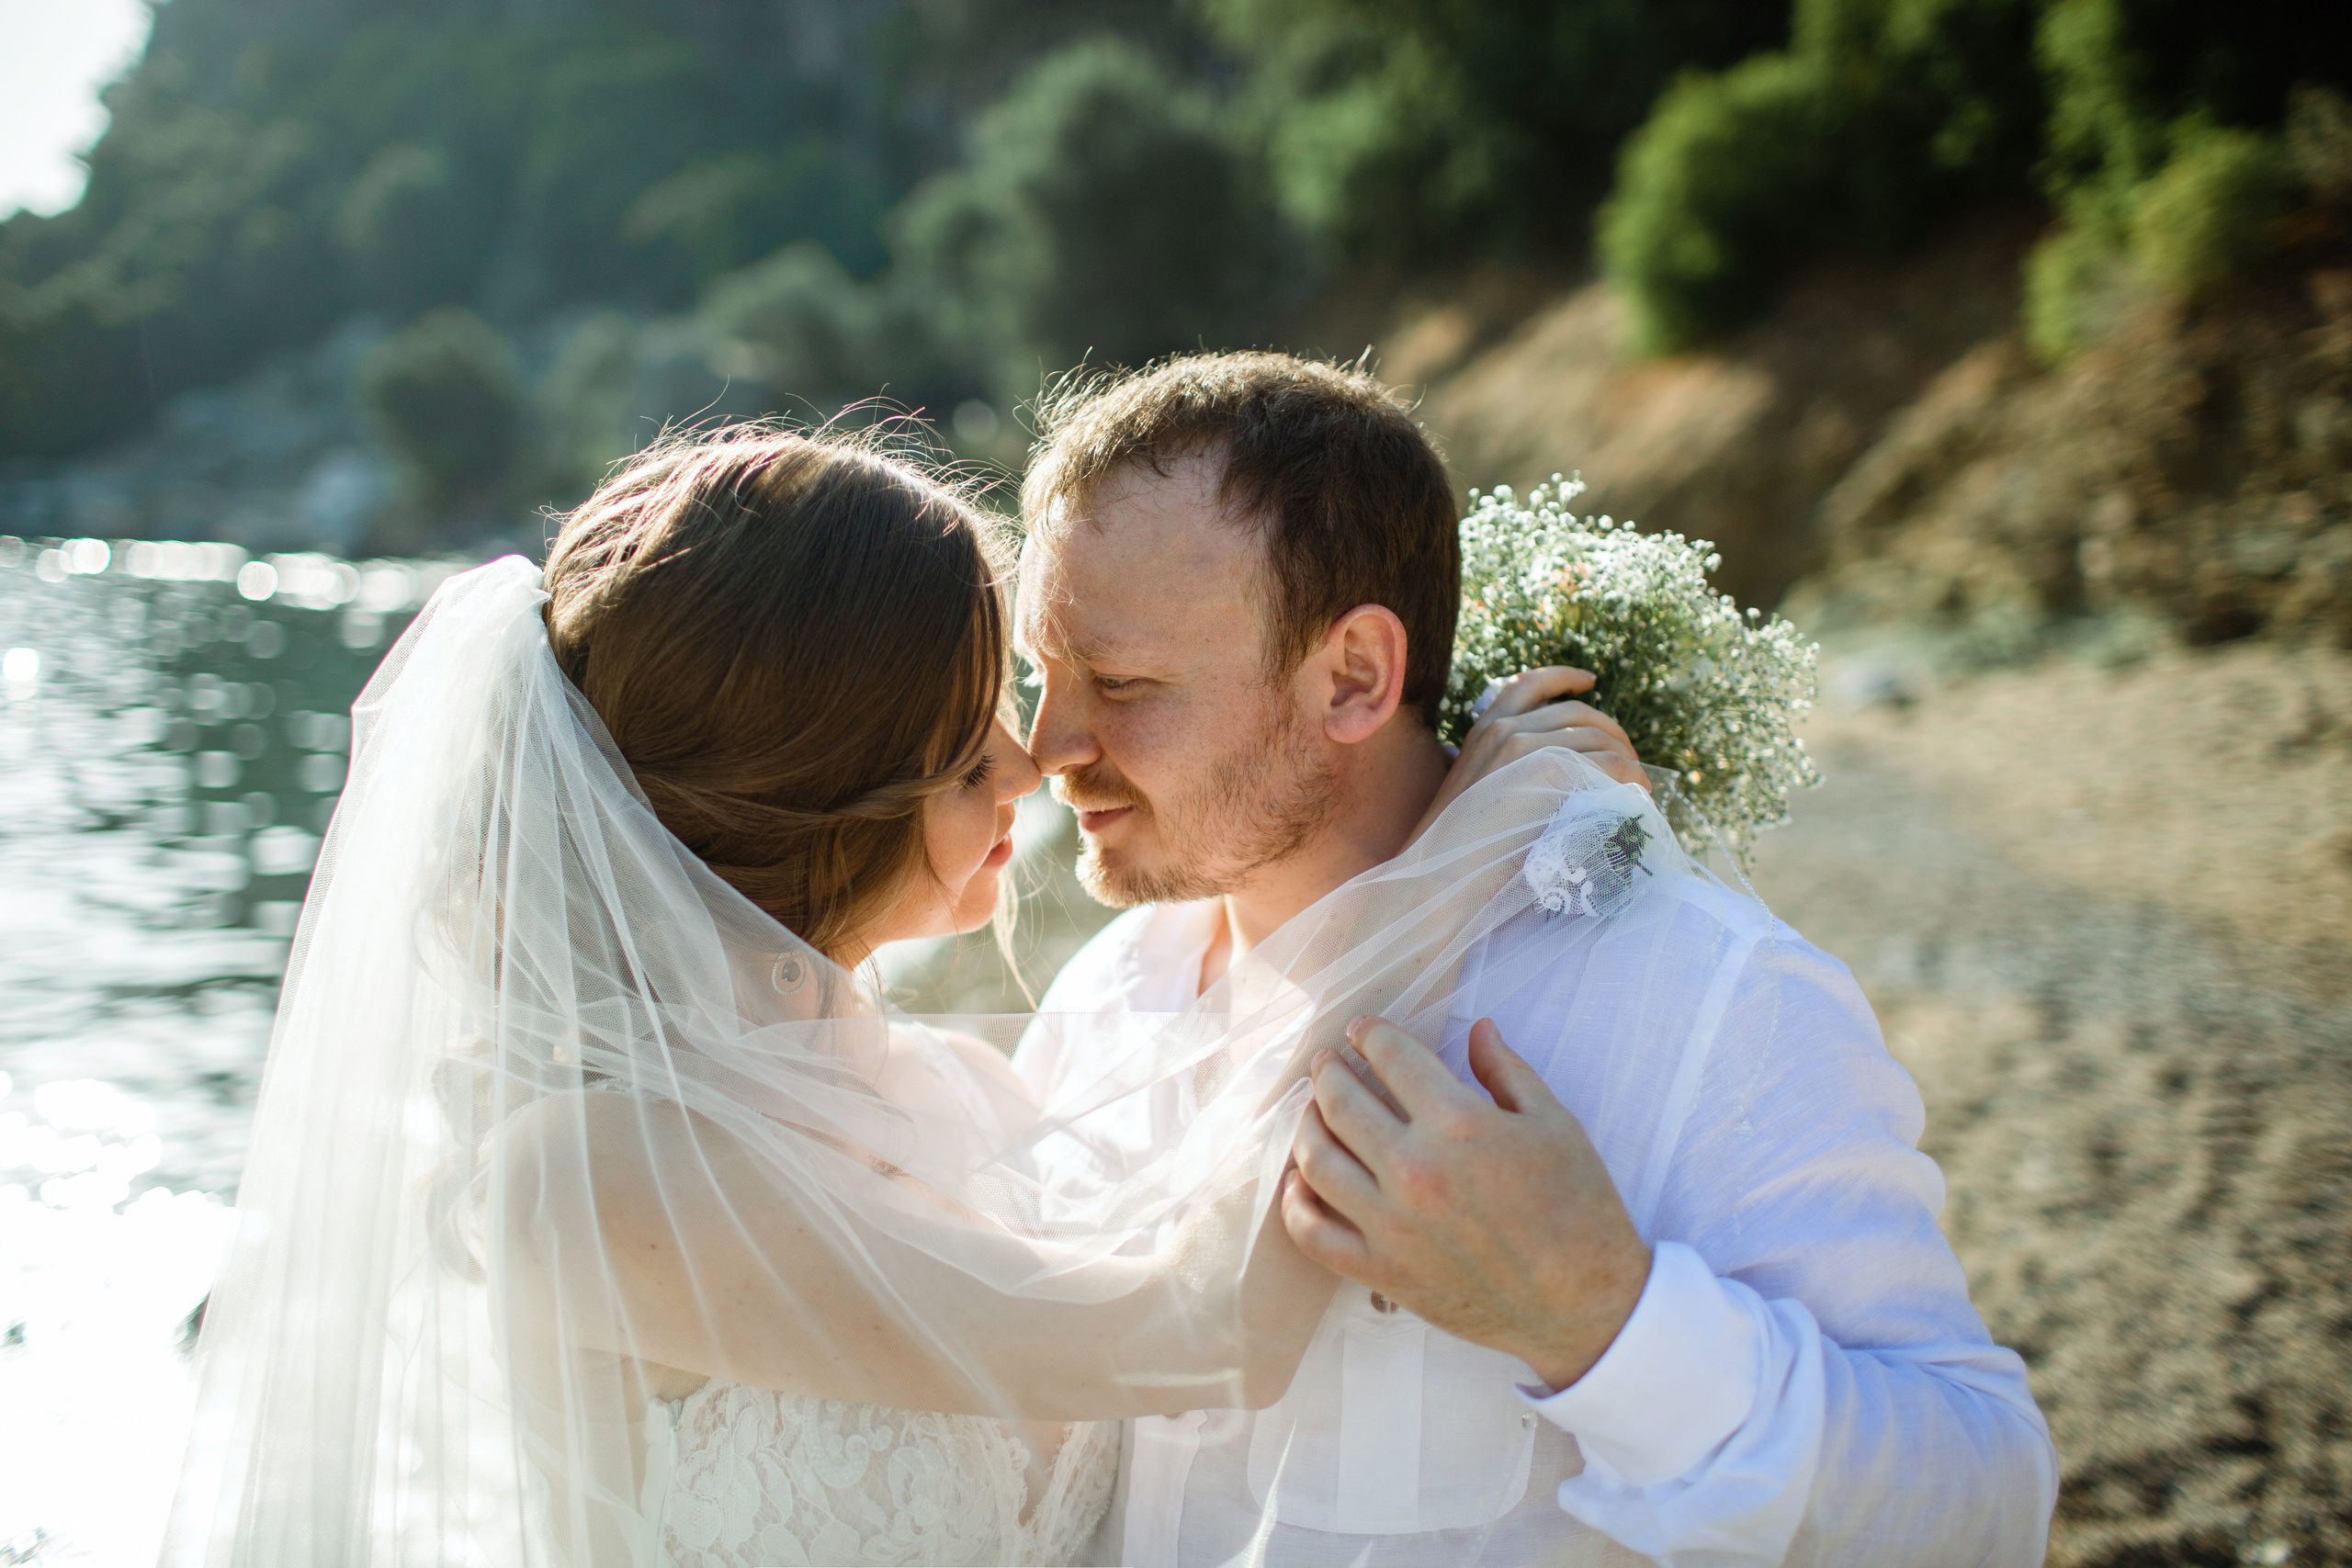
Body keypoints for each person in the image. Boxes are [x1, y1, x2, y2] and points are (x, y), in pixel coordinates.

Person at [162, 425, 1640, 1568]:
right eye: (960, 737)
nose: (1034, 765)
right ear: (816, 790)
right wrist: (1454, 857)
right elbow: (1203, 1331)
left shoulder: (953, 1086)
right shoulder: (586, 1173)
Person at [1010, 351, 2060, 1566]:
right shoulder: (1105, 999)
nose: (1048, 746)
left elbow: (1988, 1511)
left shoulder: (1701, 993)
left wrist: (1598, 1312)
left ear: (1354, 677)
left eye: (1123, 682)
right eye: (1043, 673)